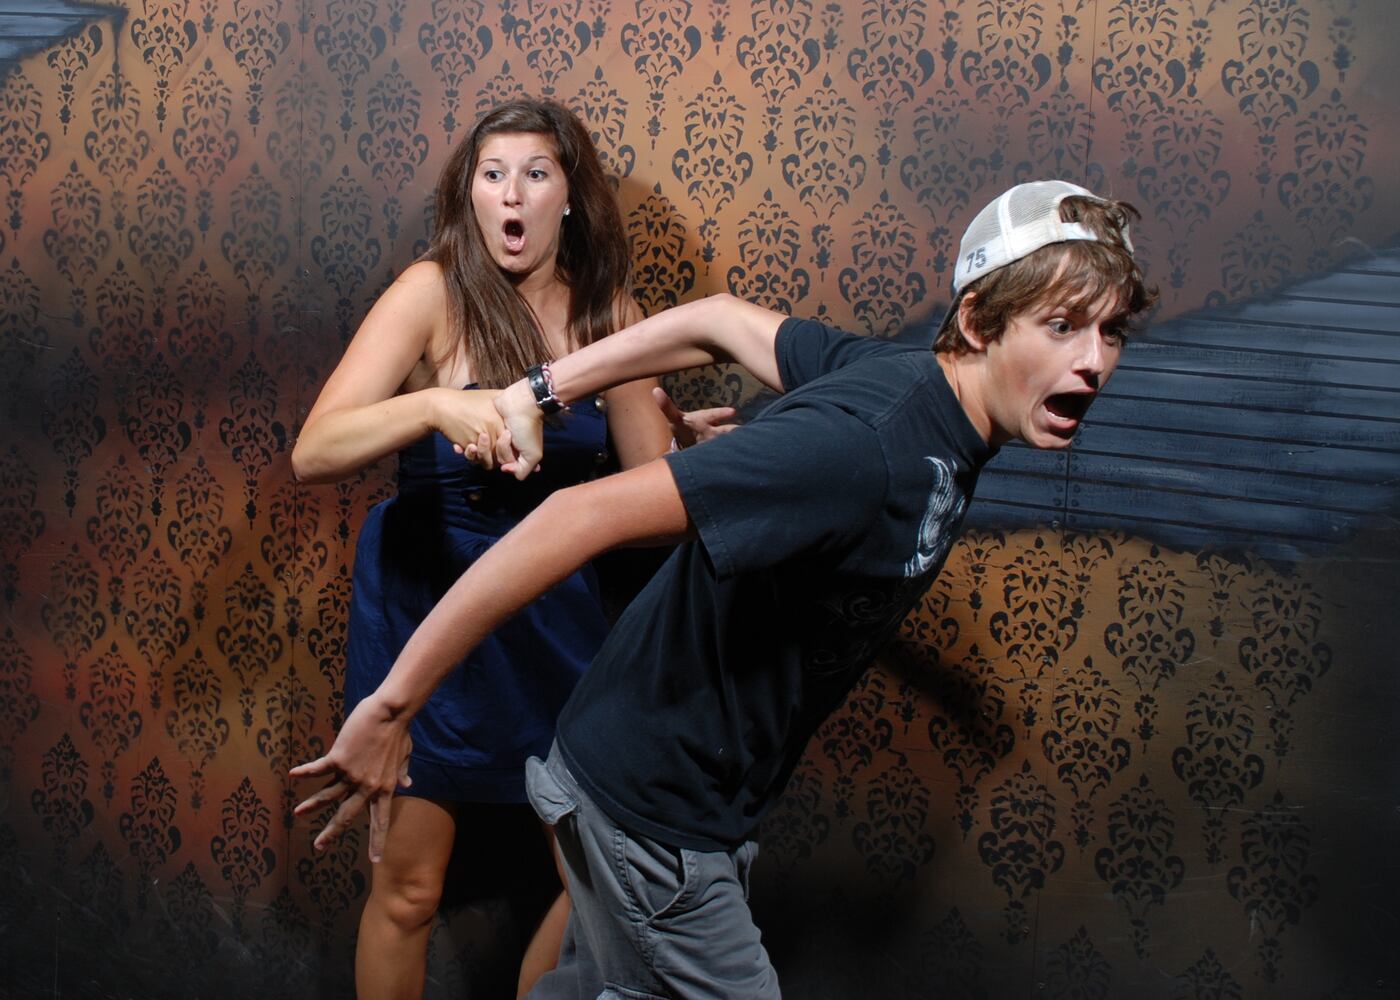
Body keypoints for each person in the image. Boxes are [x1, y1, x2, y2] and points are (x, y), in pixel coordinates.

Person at [293, 180, 1157, 998]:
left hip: (677, 795)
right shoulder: (863, 445)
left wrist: (542, 388)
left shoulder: (911, 389)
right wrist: (395, 705)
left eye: (1110, 331)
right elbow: (573, 517)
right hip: (651, 812)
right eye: (1061, 326)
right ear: (976, 322)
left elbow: (717, 321)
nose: (1093, 362)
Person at [290, 98, 732, 999]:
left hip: (554, 613)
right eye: (493, 175)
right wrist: (432, 405)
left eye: (535, 173)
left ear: (568, 195)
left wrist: (689, 453)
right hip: (430, 611)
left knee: (596, 890)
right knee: (409, 890)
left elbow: (652, 496)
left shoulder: (607, 311)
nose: (512, 194)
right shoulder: (430, 292)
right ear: (471, 194)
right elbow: (314, 452)